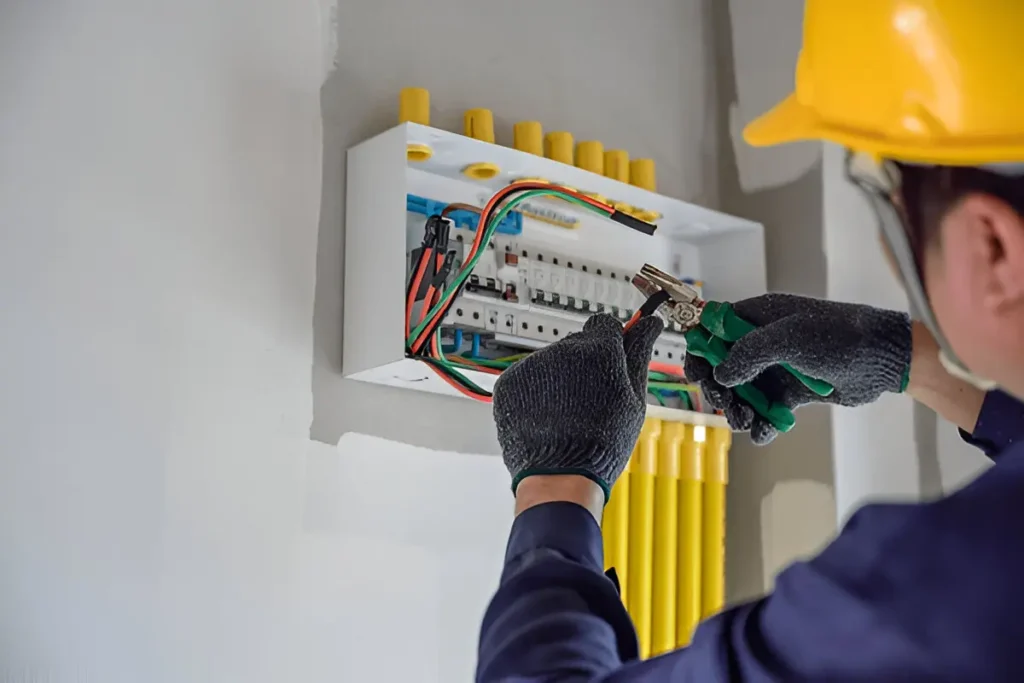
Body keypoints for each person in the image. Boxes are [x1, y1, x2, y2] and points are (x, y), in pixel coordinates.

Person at [476, 2, 1024, 680]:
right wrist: (908, 360)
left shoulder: (936, 592)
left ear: (993, 246)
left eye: (879, 193)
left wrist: (555, 490)